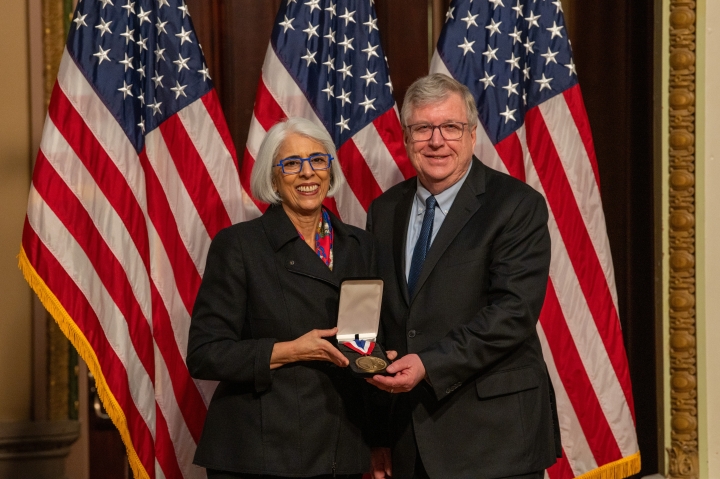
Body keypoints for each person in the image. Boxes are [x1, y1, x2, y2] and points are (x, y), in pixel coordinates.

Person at [366, 74, 561, 479]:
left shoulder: (516, 206)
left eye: (451, 127)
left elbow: (513, 312)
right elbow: (384, 315)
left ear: (472, 135)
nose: (437, 141)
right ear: (406, 138)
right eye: (423, 128)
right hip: (411, 438)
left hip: (494, 439)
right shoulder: (384, 211)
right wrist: (377, 430)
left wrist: (428, 364)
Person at [187, 117, 382, 479]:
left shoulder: (361, 245)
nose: (308, 174)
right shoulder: (239, 246)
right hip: (260, 456)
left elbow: (364, 338)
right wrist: (292, 350)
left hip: (342, 450)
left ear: (330, 169)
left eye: (318, 160)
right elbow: (204, 354)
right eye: (291, 164)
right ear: (273, 177)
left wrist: (381, 363)